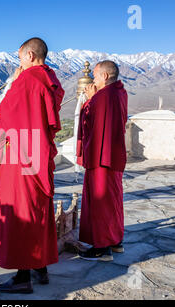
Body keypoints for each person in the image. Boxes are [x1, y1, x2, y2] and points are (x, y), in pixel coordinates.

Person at [0, 37, 65, 293]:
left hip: (21, 156)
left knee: (21, 213)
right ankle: (40, 267)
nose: (19, 63)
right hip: (38, 153)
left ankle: (23, 278)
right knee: (38, 211)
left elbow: (7, 113)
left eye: (20, 57)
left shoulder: (27, 80)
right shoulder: (50, 79)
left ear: (30, 55)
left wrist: (12, 82)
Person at [76, 60, 128, 261]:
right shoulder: (119, 93)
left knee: (100, 203)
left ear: (105, 76)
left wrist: (89, 100)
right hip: (113, 156)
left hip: (101, 157)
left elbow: (89, 121)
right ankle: (115, 241)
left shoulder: (103, 96)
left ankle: (102, 248)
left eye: (96, 77)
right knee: (113, 200)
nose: (93, 81)